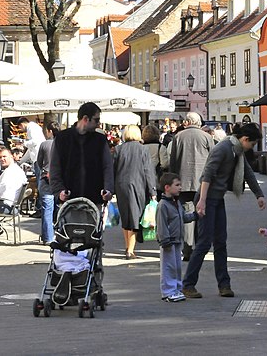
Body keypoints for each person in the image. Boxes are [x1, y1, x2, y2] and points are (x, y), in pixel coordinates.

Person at [182, 122, 267, 299]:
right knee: (204, 243)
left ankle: (224, 285)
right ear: (244, 139)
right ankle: (188, 285)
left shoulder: (238, 152)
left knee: (221, 242)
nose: (251, 148)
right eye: (251, 144)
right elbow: (207, 174)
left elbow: (248, 173)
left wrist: (259, 195)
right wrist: (202, 201)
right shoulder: (224, 149)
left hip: (217, 199)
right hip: (207, 199)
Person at [49, 102, 114, 207]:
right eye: (96, 120)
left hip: (94, 200)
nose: (99, 124)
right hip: (69, 201)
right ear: (85, 119)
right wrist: (59, 191)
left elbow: (107, 167)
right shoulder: (62, 138)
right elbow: (55, 168)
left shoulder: (100, 139)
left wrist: (108, 190)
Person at [169, 112, 214, 261]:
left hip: (183, 183)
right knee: (201, 213)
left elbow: (173, 161)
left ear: (187, 122)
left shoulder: (178, 137)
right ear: (198, 122)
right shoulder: (207, 137)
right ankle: (200, 247)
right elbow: (213, 161)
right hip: (202, 183)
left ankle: (187, 249)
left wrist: (173, 182)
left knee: (187, 215)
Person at [114, 124, 157, 260]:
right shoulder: (143, 150)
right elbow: (148, 171)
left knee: (126, 216)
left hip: (121, 186)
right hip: (138, 185)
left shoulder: (118, 149)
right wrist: (152, 190)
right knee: (135, 217)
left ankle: (128, 247)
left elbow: (113, 170)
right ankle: (130, 250)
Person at [157, 173, 198, 302]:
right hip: (168, 241)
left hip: (177, 240)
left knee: (176, 267)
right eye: (177, 185)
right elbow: (161, 224)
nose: (180, 188)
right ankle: (168, 291)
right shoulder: (163, 205)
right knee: (168, 267)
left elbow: (183, 217)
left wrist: (196, 215)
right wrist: (165, 240)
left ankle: (176, 289)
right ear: (167, 187)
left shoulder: (176, 203)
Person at [35, 122, 59, 244]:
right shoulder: (64, 144)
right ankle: (61, 234)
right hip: (60, 180)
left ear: (49, 131)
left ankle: (48, 237)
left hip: (46, 178)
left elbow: (39, 163)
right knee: (61, 208)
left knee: (47, 209)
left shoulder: (44, 145)